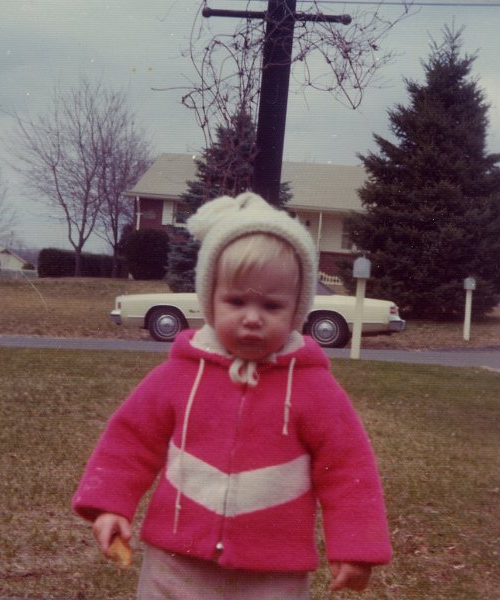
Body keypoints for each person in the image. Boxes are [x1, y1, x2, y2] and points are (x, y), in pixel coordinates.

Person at [72, 193, 392, 599]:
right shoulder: (178, 375)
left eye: (272, 306)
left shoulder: (314, 388)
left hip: (273, 572)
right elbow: (130, 441)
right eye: (236, 301)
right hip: (176, 562)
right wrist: (109, 505)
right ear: (210, 299)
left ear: (297, 309)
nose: (252, 318)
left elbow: (347, 467)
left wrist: (357, 546)